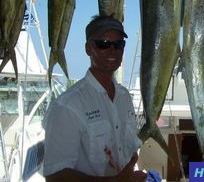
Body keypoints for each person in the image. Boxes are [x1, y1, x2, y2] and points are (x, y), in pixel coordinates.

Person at [43, 15, 147, 181]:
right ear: (89, 49)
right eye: (103, 44)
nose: (113, 50)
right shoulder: (67, 106)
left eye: (119, 44)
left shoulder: (124, 96)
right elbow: (55, 176)